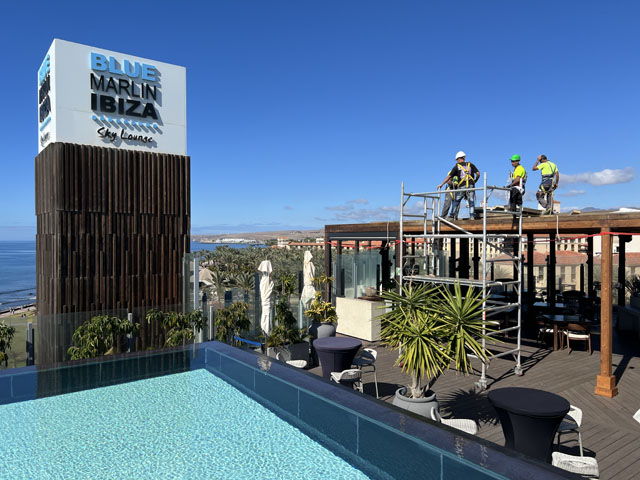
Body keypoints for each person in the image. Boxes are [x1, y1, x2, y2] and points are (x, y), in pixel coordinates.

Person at [437, 151, 480, 219]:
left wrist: (441, 184)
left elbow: (449, 177)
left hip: (462, 186)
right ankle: (472, 216)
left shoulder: (457, 166)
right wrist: (475, 181)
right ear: (464, 157)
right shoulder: (471, 165)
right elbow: (478, 173)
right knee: (471, 201)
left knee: (456, 201)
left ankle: (452, 215)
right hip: (471, 186)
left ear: (458, 159)